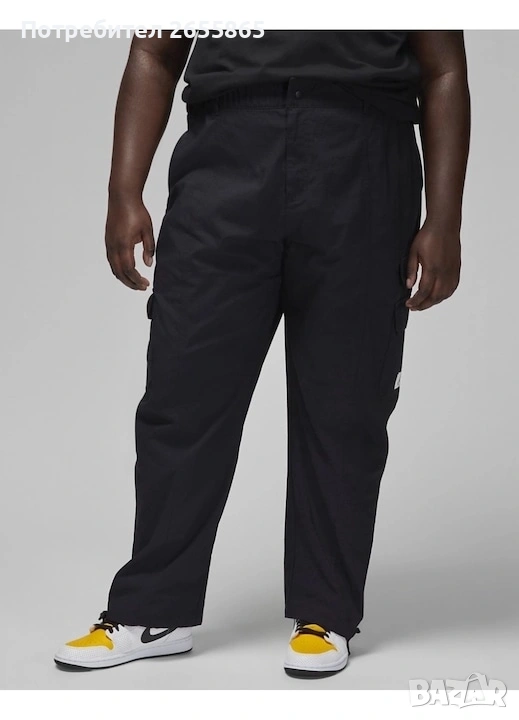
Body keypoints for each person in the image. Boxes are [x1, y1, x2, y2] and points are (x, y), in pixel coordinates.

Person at [54, 30, 470, 678]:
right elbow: (153, 51)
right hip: (225, 154)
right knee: (183, 396)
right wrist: (122, 189)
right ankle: (150, 610)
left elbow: (444, 69)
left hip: (361, 159)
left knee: (344, 407)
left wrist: (444, 219)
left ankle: (325, 614)